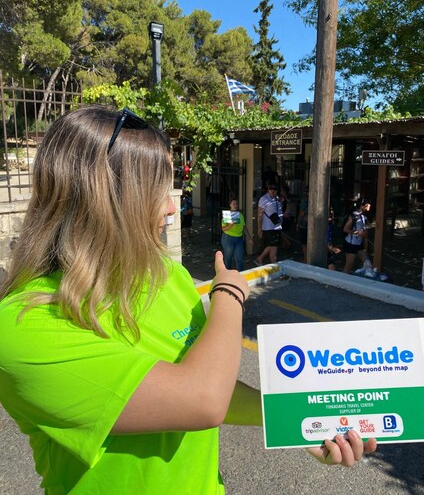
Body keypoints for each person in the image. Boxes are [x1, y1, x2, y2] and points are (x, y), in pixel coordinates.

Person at [0, 106, 376, 494]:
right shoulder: (25, 323)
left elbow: (214, 390)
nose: (170, 206)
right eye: (156, 191)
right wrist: (229, 293)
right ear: (104, 201)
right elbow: (203, 397)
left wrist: (301, 423)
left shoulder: (166, 275)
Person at [255, 185, 283, 265]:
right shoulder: (264, 199)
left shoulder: (277, 199)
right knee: (272, 244)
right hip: (268, 227)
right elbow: (259, 215)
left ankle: (272, 263)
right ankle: (260, 258)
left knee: (275, 245)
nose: (273, 191)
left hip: (277, 226)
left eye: (275, 189)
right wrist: (259, 228)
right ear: (268, 189)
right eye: (271, 189)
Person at [221, 198, 252, 271]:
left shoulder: (240, 215)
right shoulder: (228, 215)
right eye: (233, 204)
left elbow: (244, 227)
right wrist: (230, 225)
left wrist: (249, 238)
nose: (235, 205)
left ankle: (240, 275)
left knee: (239, 258)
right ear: (230, 205)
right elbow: (223, 229)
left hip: (239, 239)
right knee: (228, 259)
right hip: (228, 238)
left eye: (236, 204)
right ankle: (227, 276)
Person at [343, 198, 372, 273]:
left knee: (367, 263)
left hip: (359, 244)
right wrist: (358, 233)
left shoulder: (363, 216)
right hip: (351, 244)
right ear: (363, 206)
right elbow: (345, 229)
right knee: (348, 267)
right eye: (368, 204)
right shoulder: (354, 216)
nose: (370, 205)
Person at [296, 186, 309, 261]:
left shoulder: (304, 201)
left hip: (304, 224)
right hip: (307, 224)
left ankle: (306, 258)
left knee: (304, 243)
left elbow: (301, 213)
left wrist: (298, 224)